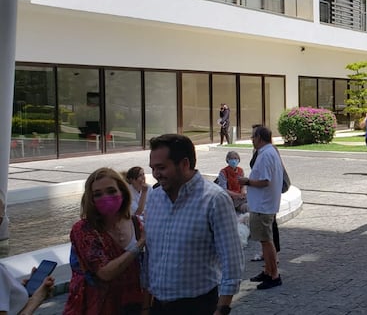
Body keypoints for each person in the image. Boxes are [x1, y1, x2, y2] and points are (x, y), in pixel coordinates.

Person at [146, 134, 244, 315]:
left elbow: (232, 260)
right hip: (158, 305)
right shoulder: (153, 198)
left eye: (161, 167)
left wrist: (222, 309)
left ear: (184, 164)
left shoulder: (214, 199)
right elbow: (150, 255)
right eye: (153, 168)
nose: (156, 174)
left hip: (199, 305)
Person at [64, 168, 146, 314]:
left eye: (111, 191)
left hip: (132, 305)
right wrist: (138, 245)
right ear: (91, 199)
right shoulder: (84, 230)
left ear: (122, 191)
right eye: (98, 194)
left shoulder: (135, 224)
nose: (106, 197)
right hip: (96, 307)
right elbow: (105, 272)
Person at [239, 126, 284, 290]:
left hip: (263, 205)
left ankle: (274, 275)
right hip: (264, 204)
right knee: (265, 240)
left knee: (266, 241)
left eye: (253, 136)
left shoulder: (266, 155)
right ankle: (267, 271)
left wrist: (246, 182)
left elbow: (265, 181)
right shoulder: (269, 152)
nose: (251, 139)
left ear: (259, 137)